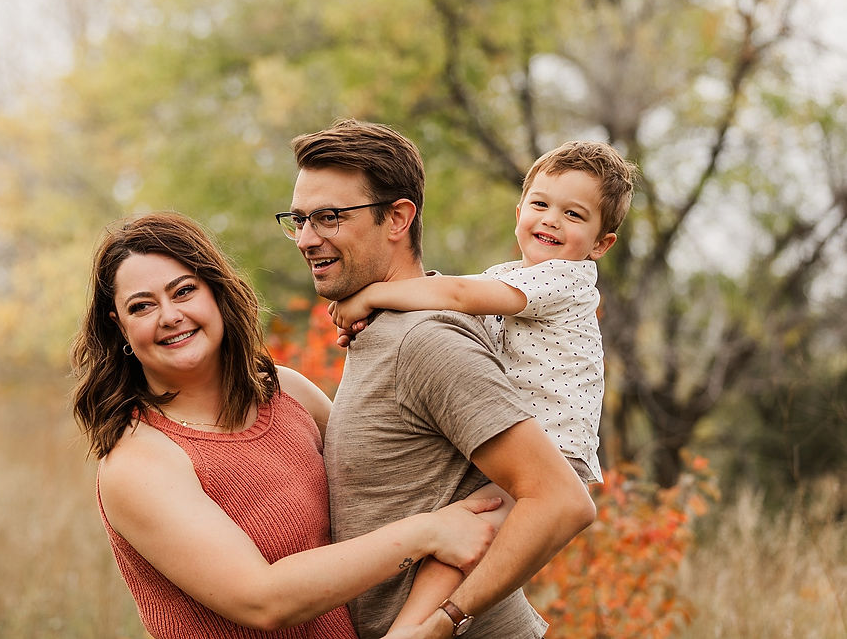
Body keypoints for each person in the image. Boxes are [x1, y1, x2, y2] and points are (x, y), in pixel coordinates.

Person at [71, 212, 502, 639]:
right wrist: (427, 533)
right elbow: (263, 599)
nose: (169, 316)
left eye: (184, 291)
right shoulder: (139, 462)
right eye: (142, 306)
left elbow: (391, 485)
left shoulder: (287, 392)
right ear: (120, 328)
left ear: (217, 294)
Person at [278, 119, 597, 639]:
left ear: (398, 217)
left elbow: (561, 501)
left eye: (329, 217)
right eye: (298, 219)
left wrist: (446, 621)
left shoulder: (424, 342)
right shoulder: (383, 328)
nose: (307, 239)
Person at [329, 140, 637, 486]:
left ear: (600, 244)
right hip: (516, 443)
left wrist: (371, 295)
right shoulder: (505, 278)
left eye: (573, 214)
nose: (551, 220)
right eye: (540, 204)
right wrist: (376, 317)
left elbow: (456, 294)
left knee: (462, 526)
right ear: (520, 214)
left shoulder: (567, 279)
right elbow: (446, 302)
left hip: (555, 454)